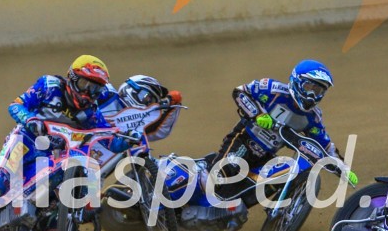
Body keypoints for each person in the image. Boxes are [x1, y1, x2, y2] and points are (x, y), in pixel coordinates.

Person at [0, 55, 136, 231]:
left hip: (51, 153)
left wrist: (126, 140)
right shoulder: (49, 86)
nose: (88, 93)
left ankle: (45, 223)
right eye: (85, 84)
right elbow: (15, 105)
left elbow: (109, 139)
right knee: (0, 180)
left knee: (60, 181)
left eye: (96, 89)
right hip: (25, 140)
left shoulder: (91, 113)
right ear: (72, 78)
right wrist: (30, 120)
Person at [208, 59, 357, 205]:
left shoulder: (313, 118)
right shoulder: (273, 89)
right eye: (308, 87)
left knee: (280, 178)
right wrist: (258, 114)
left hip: (266, 156)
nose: (312, 95)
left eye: (318, 91)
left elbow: (325, 146)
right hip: (243, 140)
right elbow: (240, 91)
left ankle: (275, 211)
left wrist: (344, 169)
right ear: (296, 81)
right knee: (223, 172)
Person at [112, 74, 183, 142]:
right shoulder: (106, 98)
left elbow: (159, 131)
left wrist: (171, 105)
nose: (149, 103)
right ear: (131, 89)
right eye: (146, 97)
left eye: (152, 101)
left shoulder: (136, 124)